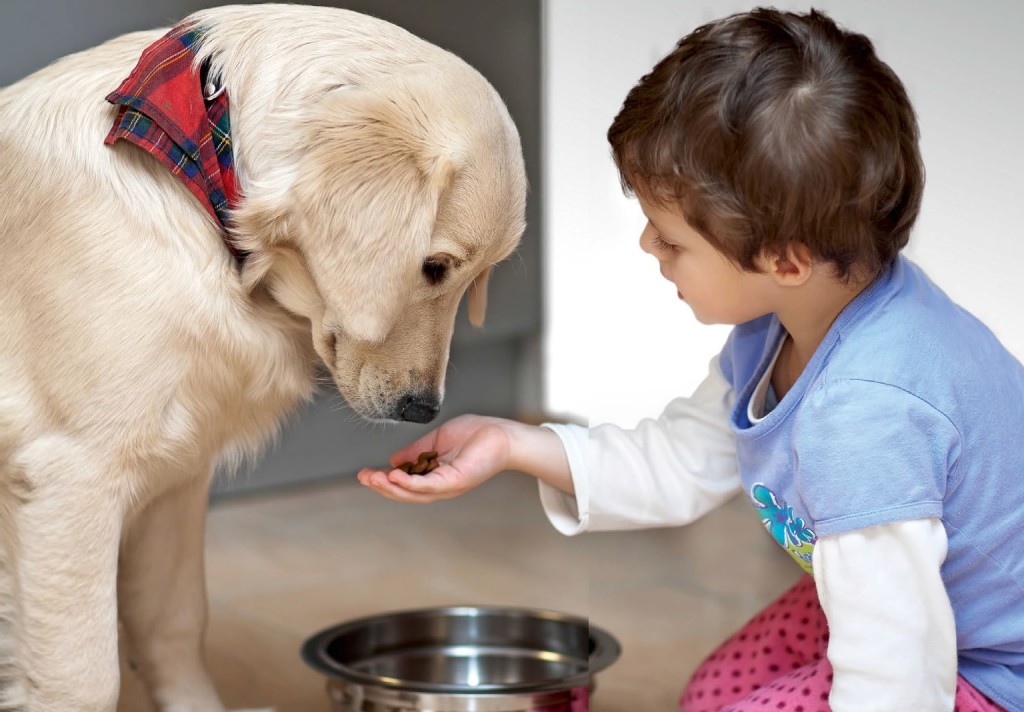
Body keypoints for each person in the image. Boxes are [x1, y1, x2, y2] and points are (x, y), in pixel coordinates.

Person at [357, 8, 1023, 711]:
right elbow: (682, 461)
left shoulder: (868, 416)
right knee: (710, 696)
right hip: (922, 603)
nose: (649, 245)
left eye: (673, 240)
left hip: (989, 669)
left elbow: (900, 673)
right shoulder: (795, 319)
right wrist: (514, 445)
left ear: (786, 259)